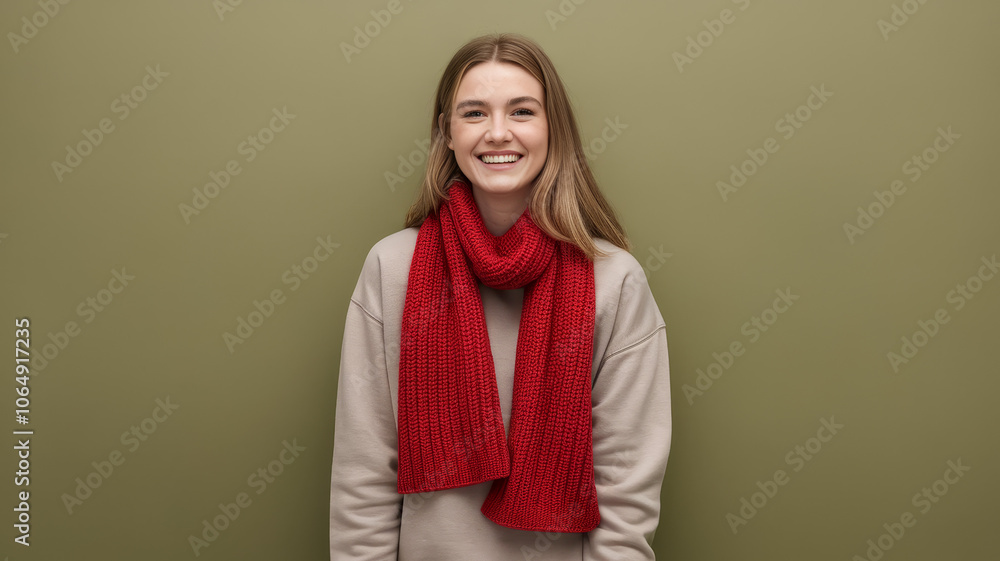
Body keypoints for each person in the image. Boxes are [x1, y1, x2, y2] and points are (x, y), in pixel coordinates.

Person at [330, 32, 672, 560]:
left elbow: (626, 487)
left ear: (552, 129)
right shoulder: (391, 268)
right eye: (473, 113)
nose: (497, 133)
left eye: (521, 111)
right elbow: (364, 472)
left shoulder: (615, 280)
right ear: (446, 133)